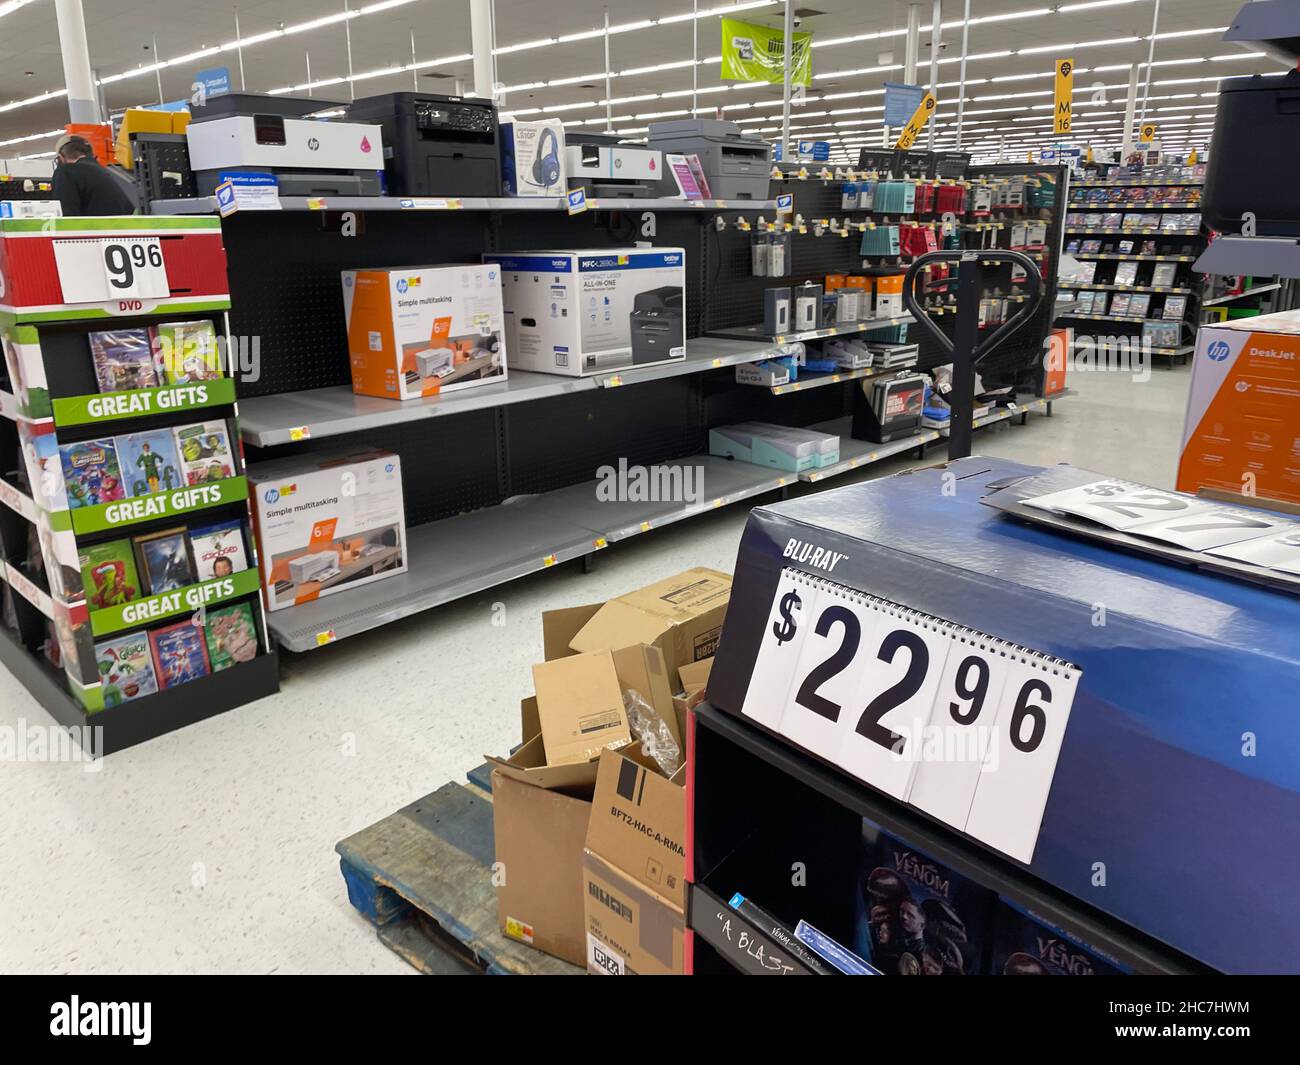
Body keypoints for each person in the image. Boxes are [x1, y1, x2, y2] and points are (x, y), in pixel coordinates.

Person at [51, 134, 136, 217]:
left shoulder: (65, 171)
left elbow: (66, 215)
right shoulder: (106, 173)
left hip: (94, 229)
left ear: (61, 158)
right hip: (122, 228)